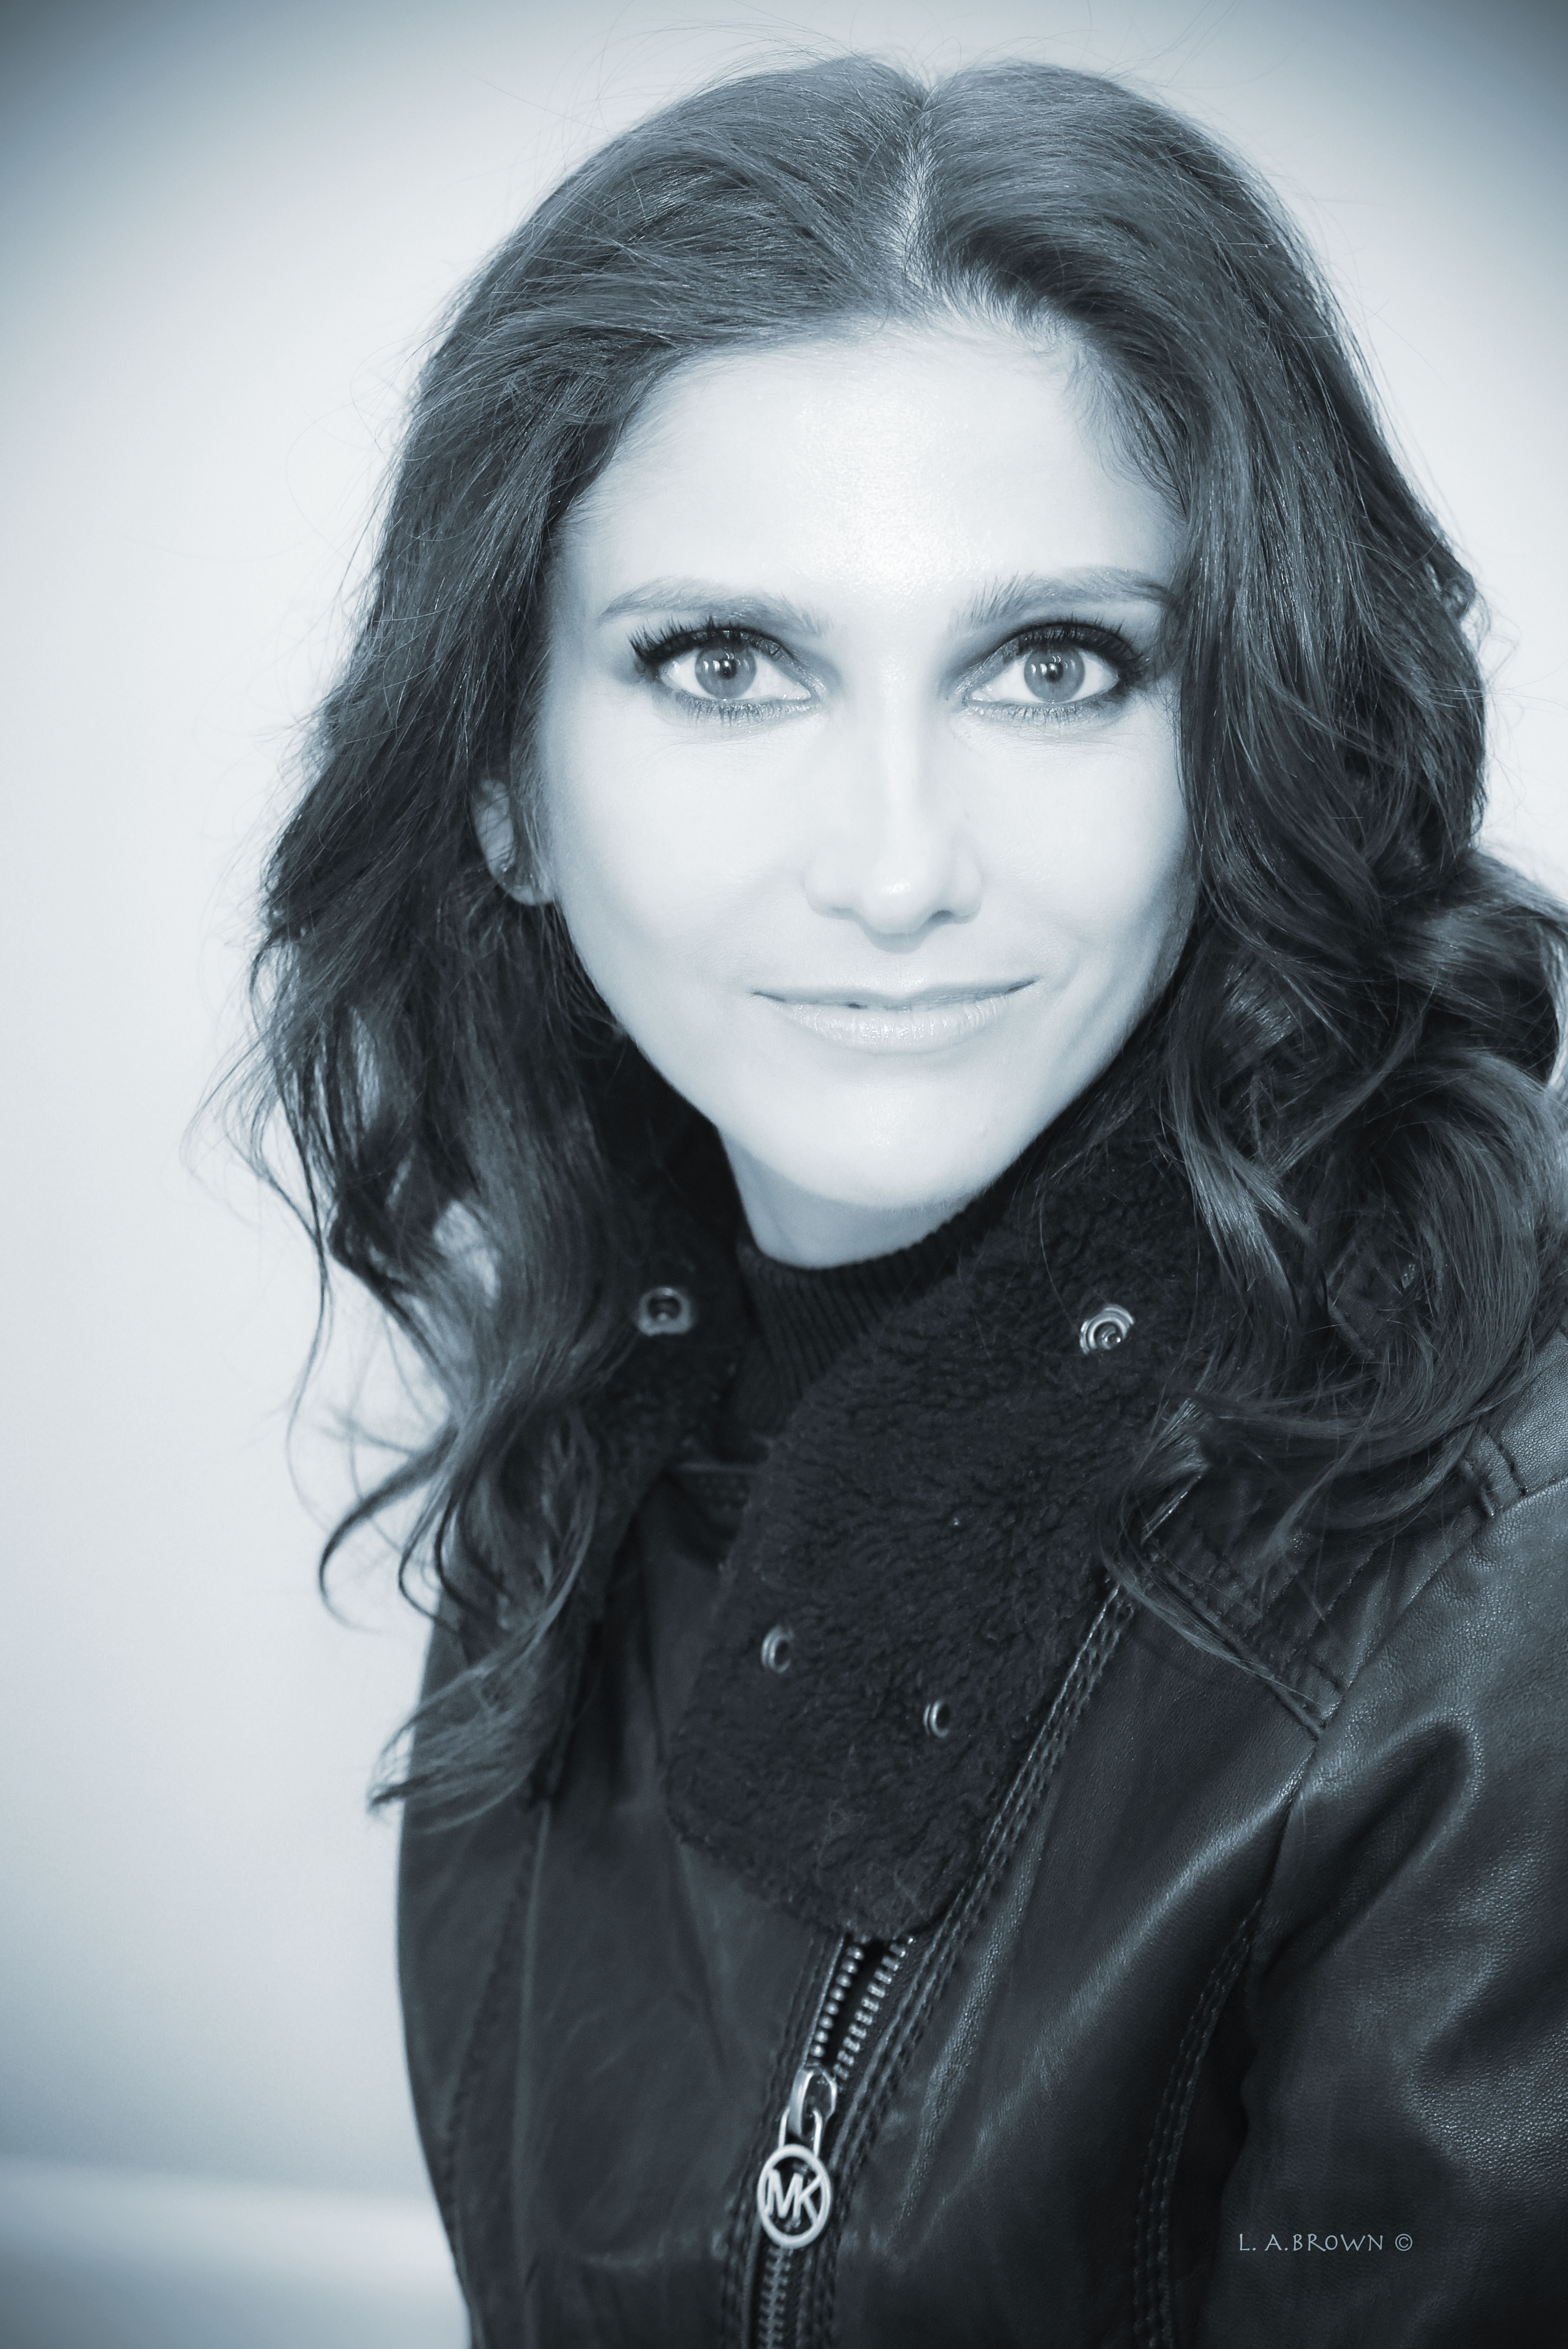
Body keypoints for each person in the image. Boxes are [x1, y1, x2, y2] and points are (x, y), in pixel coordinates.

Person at [246, 52, 1568, 2348]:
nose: (890, 867)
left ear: (1243, 736)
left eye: (1053, 666)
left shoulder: (1499, 1592)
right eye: (722, 663)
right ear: (501, 789)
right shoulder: (595, 1418)